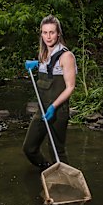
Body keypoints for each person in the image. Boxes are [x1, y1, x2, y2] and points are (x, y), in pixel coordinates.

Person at [23, 15, 77, 170]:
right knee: (29, 148)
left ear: (58, 33)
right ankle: (48, 171)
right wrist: (37, 64)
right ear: (41, 34)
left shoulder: (66, 56)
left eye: (52, 32)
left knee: (57, 152)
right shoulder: (43, 54)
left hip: (58, 110)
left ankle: (66, 184)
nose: (48, 36)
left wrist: (54, 107)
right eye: (45, 32)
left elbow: (70, 87)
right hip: (42, 109)